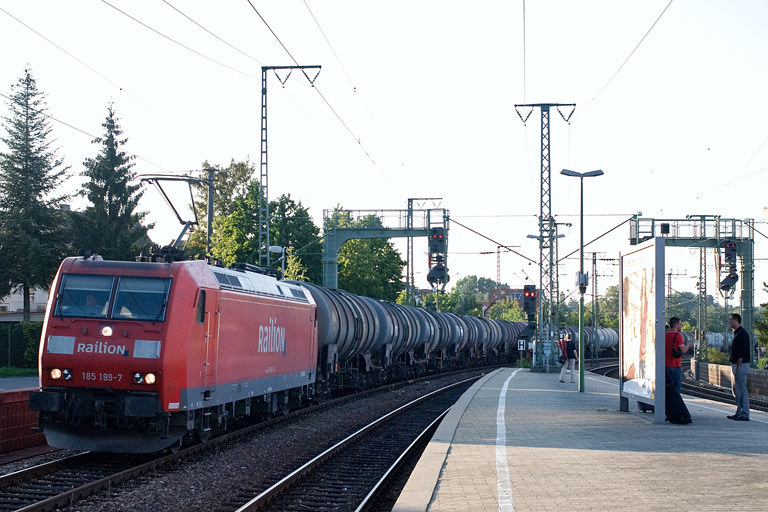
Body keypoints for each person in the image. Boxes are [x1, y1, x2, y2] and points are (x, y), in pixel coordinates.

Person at [728, 313, 751, 421]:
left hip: (741, 365)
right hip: (736, 364)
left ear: (736, 320)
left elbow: (742, 350)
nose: (729, 322)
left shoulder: (742, 333)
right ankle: (739, 411)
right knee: (736, 390)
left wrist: (738, 364)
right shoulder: (737, 333)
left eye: (730, 320)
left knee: (741, 390)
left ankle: (745, 413)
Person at [664, 317, 693, 392]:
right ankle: (675, 403)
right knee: (676, 389)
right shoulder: (678, 335)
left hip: (665, 366)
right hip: (675, 365)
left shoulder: (665, 335)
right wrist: (688, 345)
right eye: (680, 324)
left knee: (667, 389)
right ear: (676, 325)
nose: (681, 326)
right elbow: (683, 350)